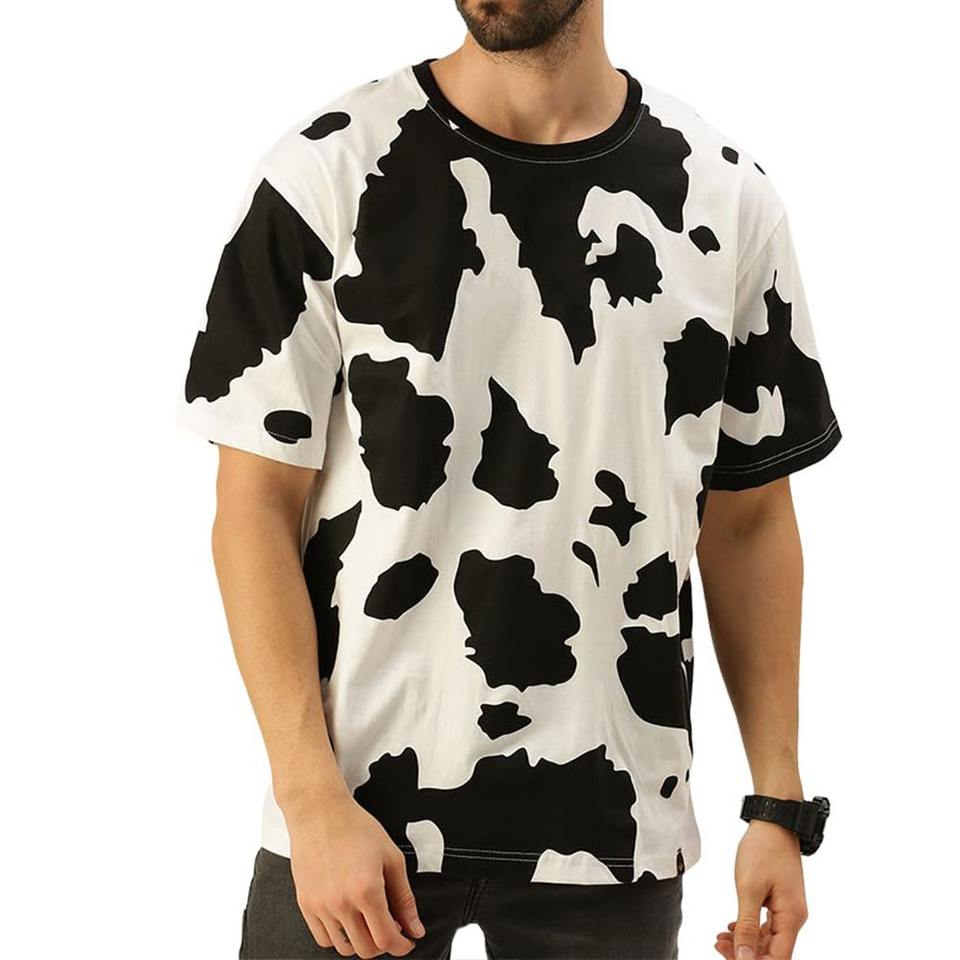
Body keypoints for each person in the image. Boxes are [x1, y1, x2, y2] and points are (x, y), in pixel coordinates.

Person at [178, 1, 841, 957]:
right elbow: (252, 509)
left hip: (613, 833)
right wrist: (310, 797)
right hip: (356, 829)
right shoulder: (329, 170)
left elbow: (750, 520)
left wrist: (777, 803)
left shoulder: (726, 198)